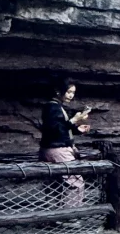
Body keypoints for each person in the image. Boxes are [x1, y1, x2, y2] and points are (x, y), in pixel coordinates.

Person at [39, 79, 91, 208]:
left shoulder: (54, 107)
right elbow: (56, 130)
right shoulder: (53, 107)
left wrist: (77, 129)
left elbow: (60, 128)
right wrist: (75, 119)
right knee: (75, 182)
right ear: (58, 91)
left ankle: (51, 215)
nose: (71, 95)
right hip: (59, 150)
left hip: (49, 149)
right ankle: (70, 216)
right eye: (68, 92)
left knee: (53, 183)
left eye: (73, 93)